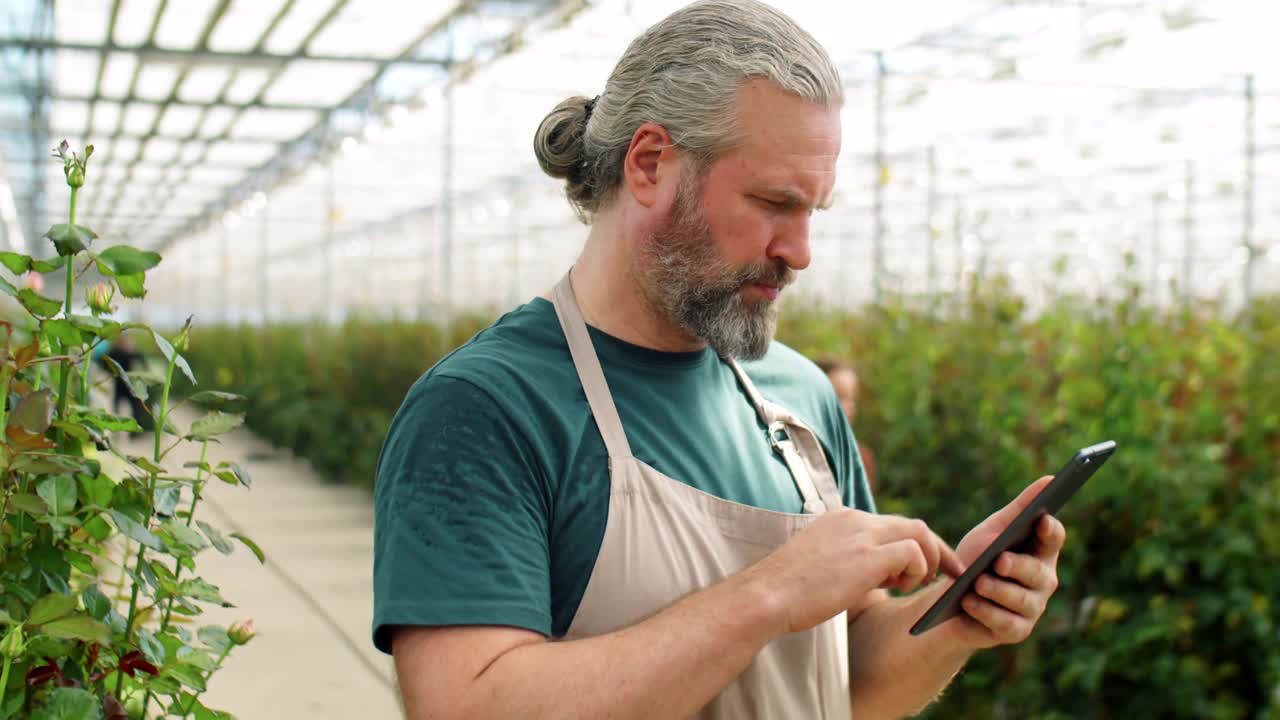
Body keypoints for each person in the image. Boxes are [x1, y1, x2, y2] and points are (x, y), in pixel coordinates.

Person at [373, 2, 1066, 718]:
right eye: (773, 202)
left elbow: (841, 680)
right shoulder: (486, 409)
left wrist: (957, 615)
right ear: (649, 164)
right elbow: (466, 705)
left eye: (813, 213)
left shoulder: (800, 396)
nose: (799, 251)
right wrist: (768, 595)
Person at [817, 356, 878, 493]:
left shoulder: (860, 458)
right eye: (838, 397)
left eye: (851, 398)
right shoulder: (793, 454)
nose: (849, 407)